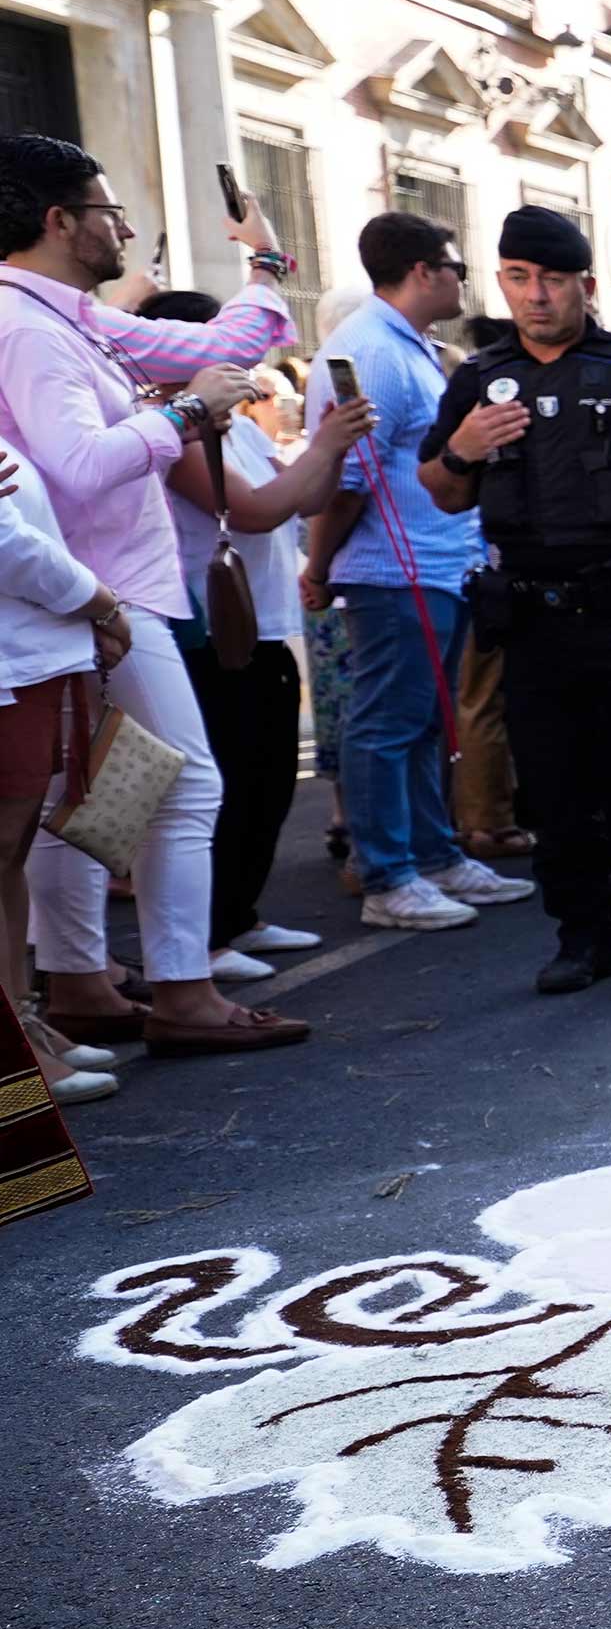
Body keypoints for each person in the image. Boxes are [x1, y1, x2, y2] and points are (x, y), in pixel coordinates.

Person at [0, 134, 311, 1056]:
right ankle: (181, 991)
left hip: (100, 596)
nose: (124, 228)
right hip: (93, 597)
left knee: (90, 791)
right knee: (180, 785)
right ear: (60, 222)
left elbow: (229, 342)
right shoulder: (24, 326)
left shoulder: (69, 316)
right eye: (108, 212)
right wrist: (184, 413)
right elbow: (80, 466)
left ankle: (83, 984)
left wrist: (262, 255)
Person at [418, 207, 611, 992]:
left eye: (553, 281)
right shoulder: (479, 379)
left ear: (585, 287)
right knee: (559, 795)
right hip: (534, 618)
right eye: (521, 279)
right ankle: (586, 939)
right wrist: (463, 448)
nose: (536, 296)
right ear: (502, 282)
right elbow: (443, 493)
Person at [300, 210, 539, 933]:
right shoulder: (369, 351)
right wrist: (319, 563)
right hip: (392, 570)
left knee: (427, 720)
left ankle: (433, 856)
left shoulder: (406, 346)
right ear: (423, 272)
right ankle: (388, 876)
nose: (464, 279)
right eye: (457, 265)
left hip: (434, 565)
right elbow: (348, 478)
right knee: (389, 724)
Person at [137, 292, 366, 979]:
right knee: (226, 784)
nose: (234, 356)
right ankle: (203, 940)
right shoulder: (164, 424)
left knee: (264, 782)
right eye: (217, 341)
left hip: (264, 624)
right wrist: (322, 447)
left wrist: (331, 446)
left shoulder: (236, 424)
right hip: (209, 630)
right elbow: (259, 510)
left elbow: (307, 498)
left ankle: (238, 916)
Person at [2, 433, 126, 1111]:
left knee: (9, 858)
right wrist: (100, 602)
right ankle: (14, 1052)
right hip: (12, 660)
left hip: (26, 657)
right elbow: (8, 547)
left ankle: (20, 1023)